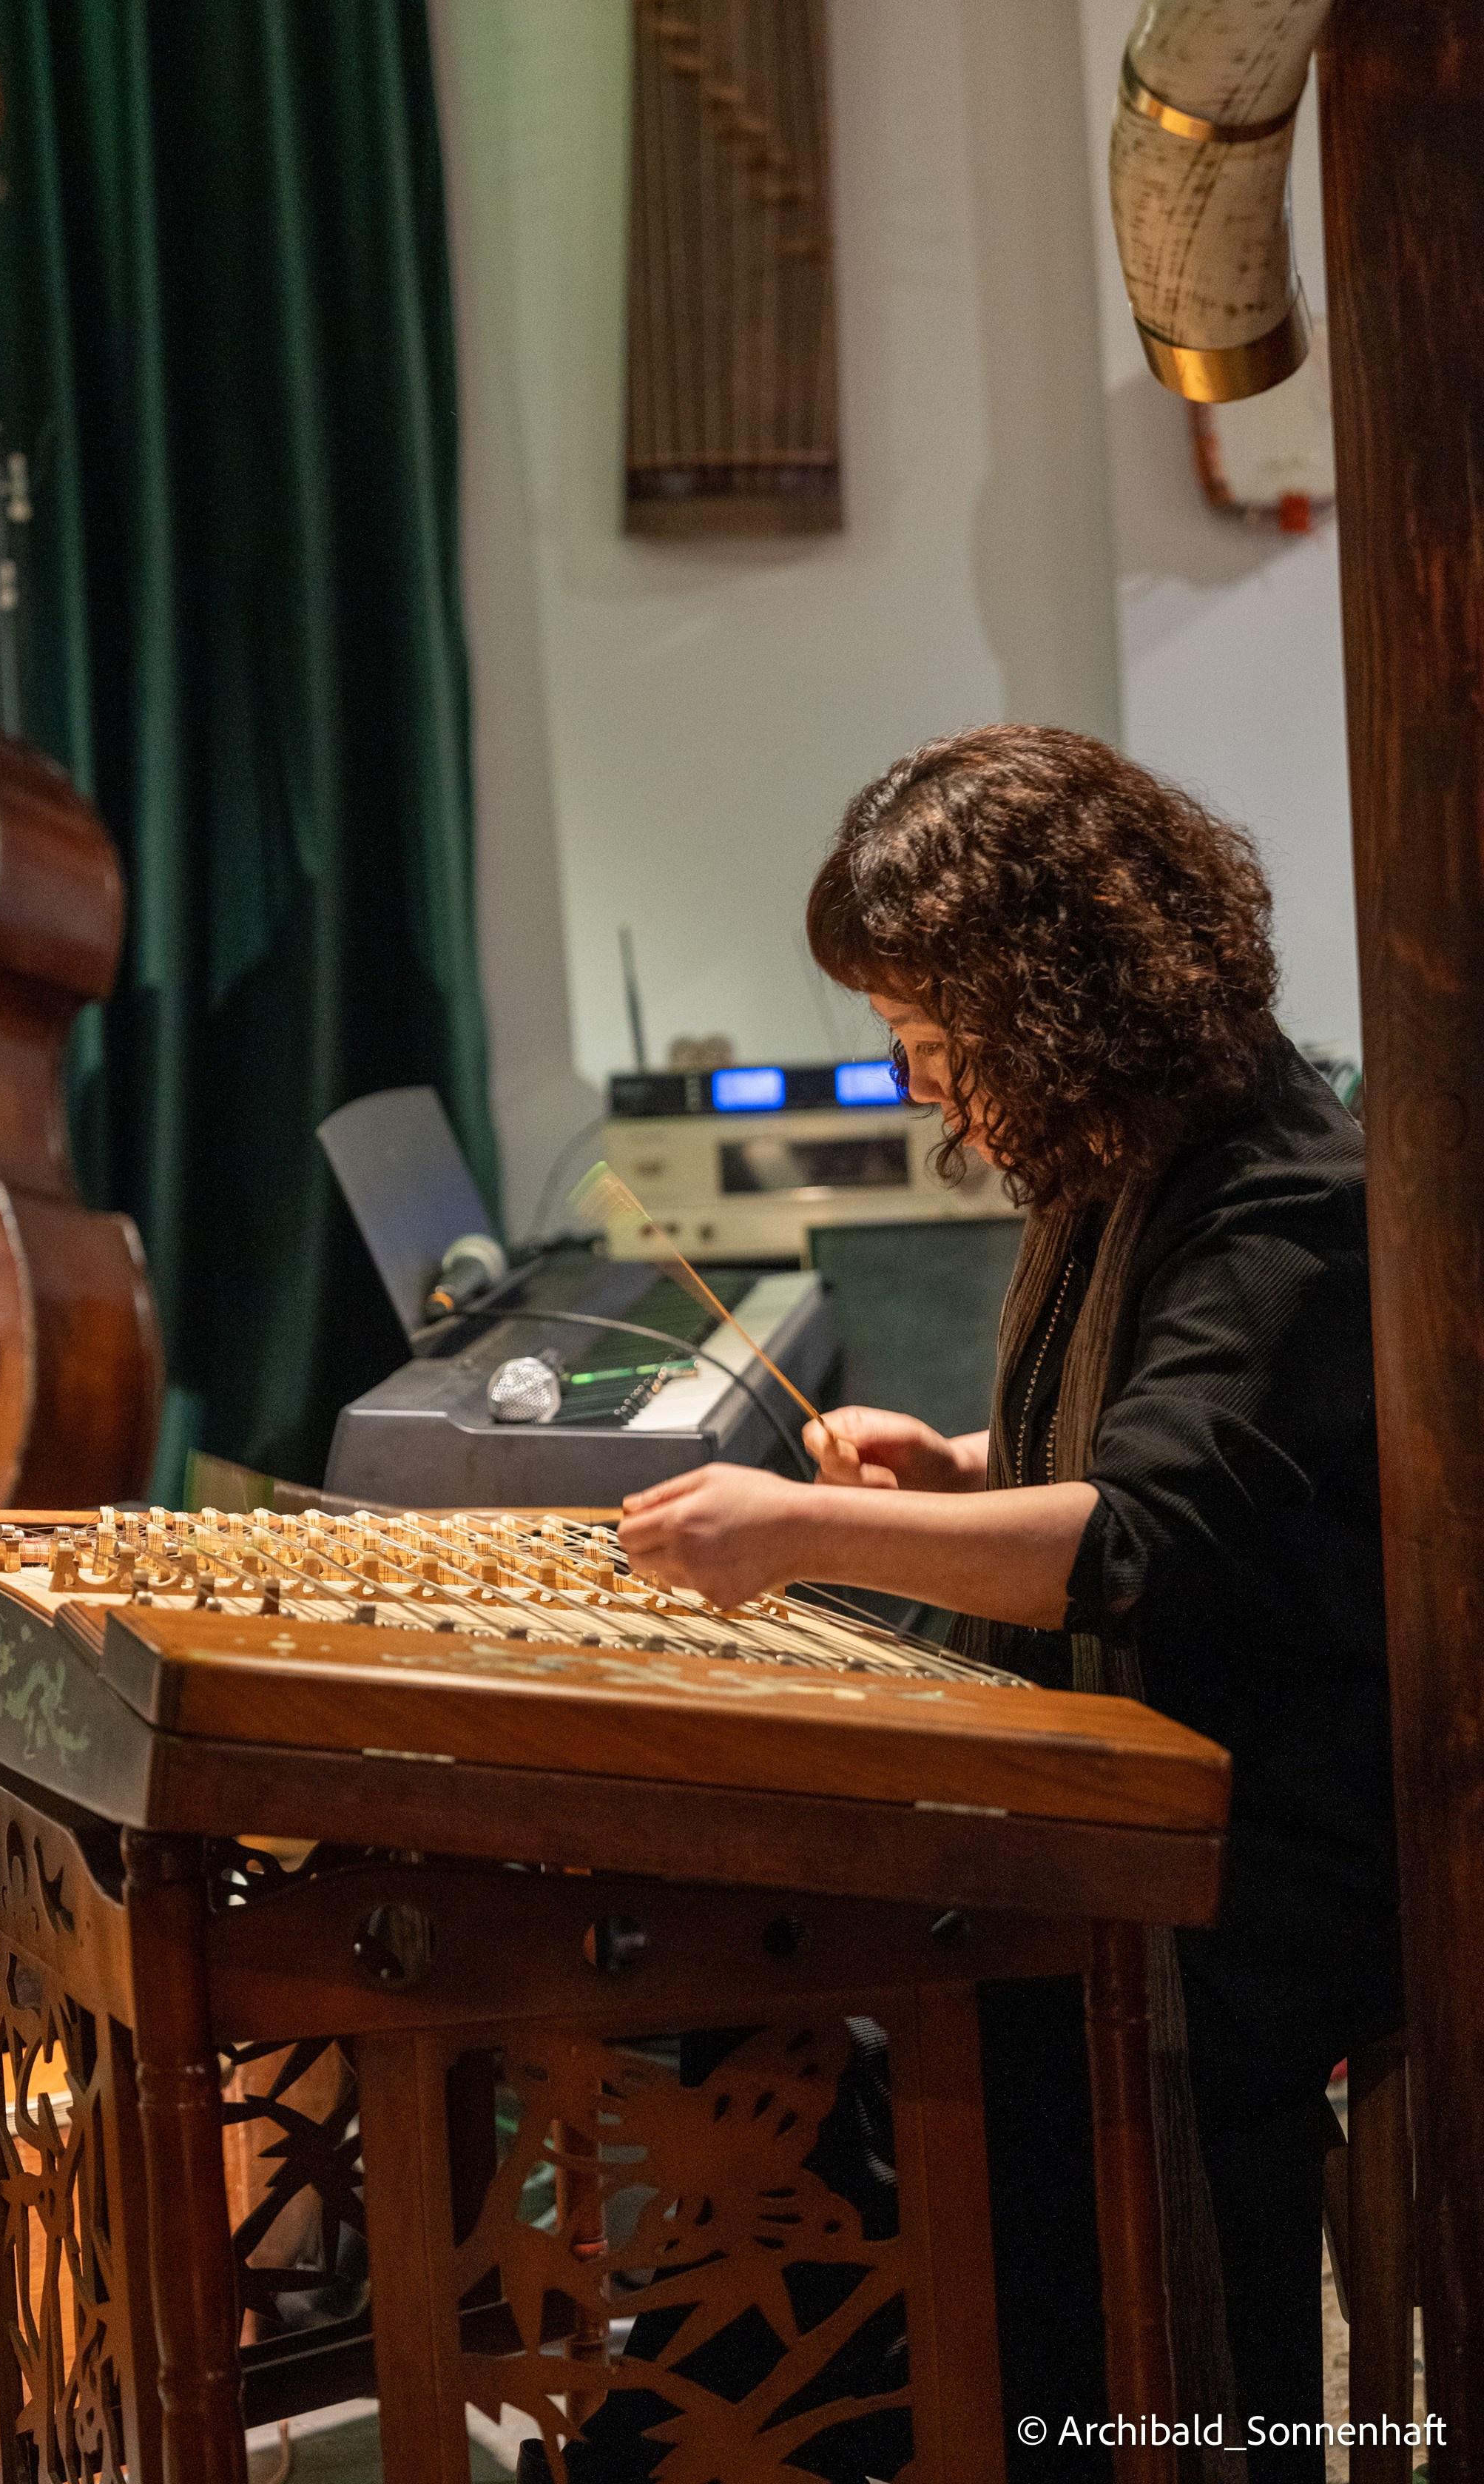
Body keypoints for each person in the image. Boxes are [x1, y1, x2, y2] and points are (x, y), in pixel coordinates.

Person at [619, 727, 1399, 2483]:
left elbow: (1143, 1538)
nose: (919, 1087)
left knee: (876, 2024)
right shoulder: (1152, 1153)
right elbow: (1156, 1450)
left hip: (1253, 1855)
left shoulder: (1280, 1197)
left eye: (927, 1037)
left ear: (1046, 1001)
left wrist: (803, 1527)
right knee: (796, 2003)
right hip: (1149, 1783)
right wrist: (967, 1465)